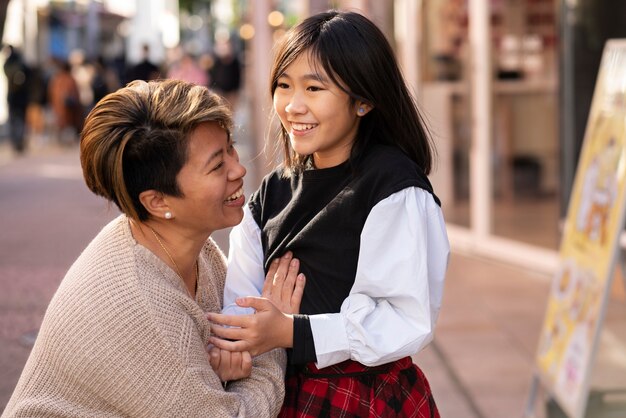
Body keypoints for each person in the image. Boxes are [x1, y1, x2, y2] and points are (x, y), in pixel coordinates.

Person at [3, 79, 303, 417]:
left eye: (230, 147)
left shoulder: (185, 244)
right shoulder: (140, 303)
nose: (239, 168)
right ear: (158, 201)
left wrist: (224, 368)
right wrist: (270, 345)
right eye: (217, 165)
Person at [207, 10, 450, 418]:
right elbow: (240, 300)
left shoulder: (393, 188)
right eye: (284, 86)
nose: (292, 106)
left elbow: (405, 318)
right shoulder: (272, 191)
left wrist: (291, 330)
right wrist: (235, 345)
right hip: (280, 393)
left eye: (314, 88)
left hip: (366, 395)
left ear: (363, 100)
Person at [3, 45, 31, 153]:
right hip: (15, 97)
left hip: (18, 98)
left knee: (18, 121)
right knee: (17, 121)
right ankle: (17, 142)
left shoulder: (16, 63)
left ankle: (18, 142)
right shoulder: (14, 63)